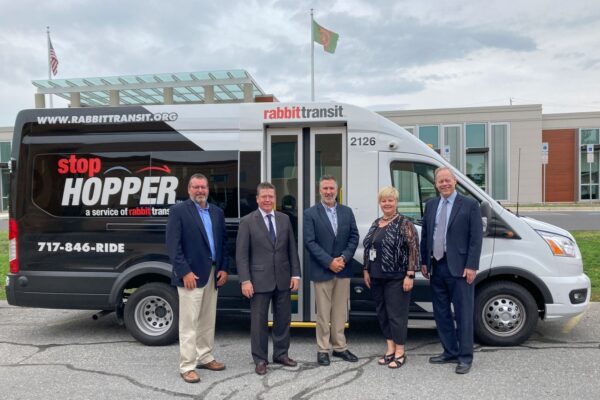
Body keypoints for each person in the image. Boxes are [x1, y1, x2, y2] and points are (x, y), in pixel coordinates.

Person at [166, 173, 229, 384]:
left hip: (212, 273)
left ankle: (206, 356)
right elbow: (173, 246)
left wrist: (223, 268)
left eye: (203, 187)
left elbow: (223, 243)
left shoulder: (217, 212)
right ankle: (187, 366)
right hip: (190, 275)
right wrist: (184, 272)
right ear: (189, 190)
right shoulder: (178, 211)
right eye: (196, 187)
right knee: (188, 323)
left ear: (208, 189)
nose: (200, 191)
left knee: (207, 319)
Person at [420, 167, 483, 375]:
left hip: (461, 268)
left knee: (464, 314)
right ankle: (449, 351)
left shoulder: (470, 204)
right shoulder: (430, 205)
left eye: (448, 180)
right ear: (436, 184)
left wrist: (472, 265)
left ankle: (465, 357)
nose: (444, 184)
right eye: (440, 181)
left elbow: (476, 238)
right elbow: (427, 235)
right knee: (442, 313)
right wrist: (423, 261)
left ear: (455, 181)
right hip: (436, 266)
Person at [236, 182, 302, 375]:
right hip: (258, 281)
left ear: (275, 198)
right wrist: (245, 280)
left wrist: (295, 274)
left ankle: (281, 353)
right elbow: (241, 255)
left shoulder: (284, 219)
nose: (267, 200)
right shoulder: (248, 221)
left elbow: (292, 248)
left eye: (270, 197)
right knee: (258, 322)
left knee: (283, 320)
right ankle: (260, 359)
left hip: (282, 278)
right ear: (257, 199)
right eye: (263, 196)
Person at [304, 175, 360, 366]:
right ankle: (322, 349)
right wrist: (329, 262)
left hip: (343, 269)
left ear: (337, 190)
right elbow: (309, 242)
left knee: (339, 312)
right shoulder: (310, 213)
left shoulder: (347, 212)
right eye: (325, 188)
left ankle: (339, 348)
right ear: (319, 191)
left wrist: (343, 258)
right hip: (323, 270)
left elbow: (354, 236)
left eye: (331, 189)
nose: (328, 192)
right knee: (323, 313)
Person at [362, 186, 419, 369]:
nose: (387, 203)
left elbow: (413, 249)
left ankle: (400, 352)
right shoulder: (376, 223)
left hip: (397, 277)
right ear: (380, 203)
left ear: (396, 202)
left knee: (397, 315)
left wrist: (410, 275)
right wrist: (366, 269)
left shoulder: (404, 223)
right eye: (384, 200)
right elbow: (368, 248)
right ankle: (390, 349)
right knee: (383, 313)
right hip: (376, 276)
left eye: (390, 200)